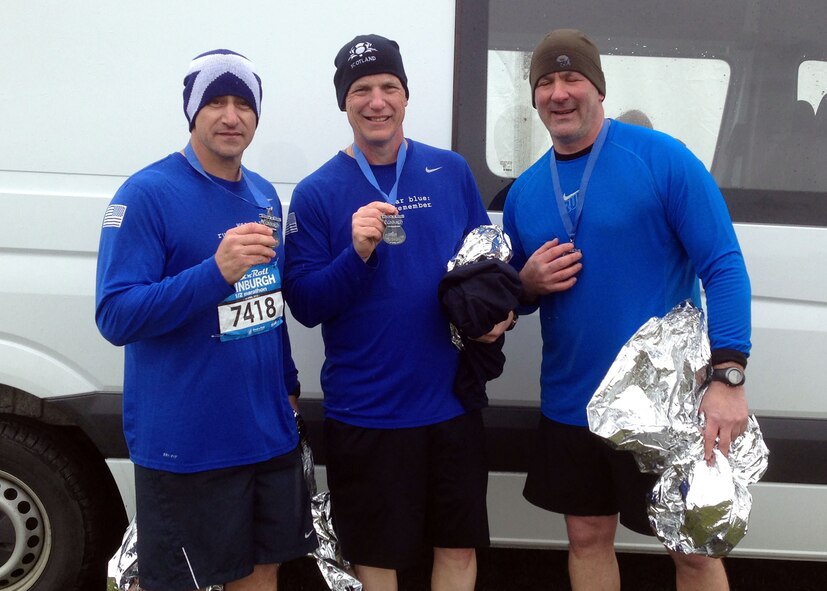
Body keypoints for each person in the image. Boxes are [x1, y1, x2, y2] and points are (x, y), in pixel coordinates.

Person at [502, 29, 751, 591]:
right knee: (587, 538)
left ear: (598, 89)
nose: (558, 93)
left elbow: (724, 266)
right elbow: (513, 298)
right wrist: (526, 284)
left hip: (664, 406)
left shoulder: (661, 159)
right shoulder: (524, 193)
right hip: (572, 404)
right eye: (545, 82)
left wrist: (728, 376)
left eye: (572, 79)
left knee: (692, 548)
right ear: (535, 97)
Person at [283, 34, 511, 591]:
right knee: (376, 560)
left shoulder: (450, 171)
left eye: (389, 86)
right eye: (361, 90)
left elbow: (486, 263)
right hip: (367, 412)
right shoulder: (316, 193)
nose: (376, 101)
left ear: (406, 97)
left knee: (456, 550)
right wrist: (356, 254)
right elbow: (307, 304)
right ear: (345, 102)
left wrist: (500, 313)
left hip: (451, 404)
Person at [96, 49, 316, 591]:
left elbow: (270, 303)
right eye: (215, 102)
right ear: (192, 112)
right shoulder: (147, 194)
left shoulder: (264, 194)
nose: (230, 116)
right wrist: (214, 272)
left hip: (267, 434)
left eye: (243, 104)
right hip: (188, 444)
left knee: (264, 574)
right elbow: (116, 315)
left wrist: (287, 385)